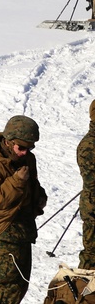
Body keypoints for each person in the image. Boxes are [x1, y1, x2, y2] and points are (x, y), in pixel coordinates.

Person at [0, 115, 47, 304]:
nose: (25, 152)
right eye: (21, 147)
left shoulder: (27, 158)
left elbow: (32, 184)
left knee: (20, 284)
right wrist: (16, 181)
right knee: (6, 286)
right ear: (8, 141)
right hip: (6, 228)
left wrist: (39, 196)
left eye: (29, 148)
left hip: (25, 228)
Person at [79, 101, 95, 269]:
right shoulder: (89, 146)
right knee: (92, 256)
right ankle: (86, 294)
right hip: (93, 208)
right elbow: (91, 181)